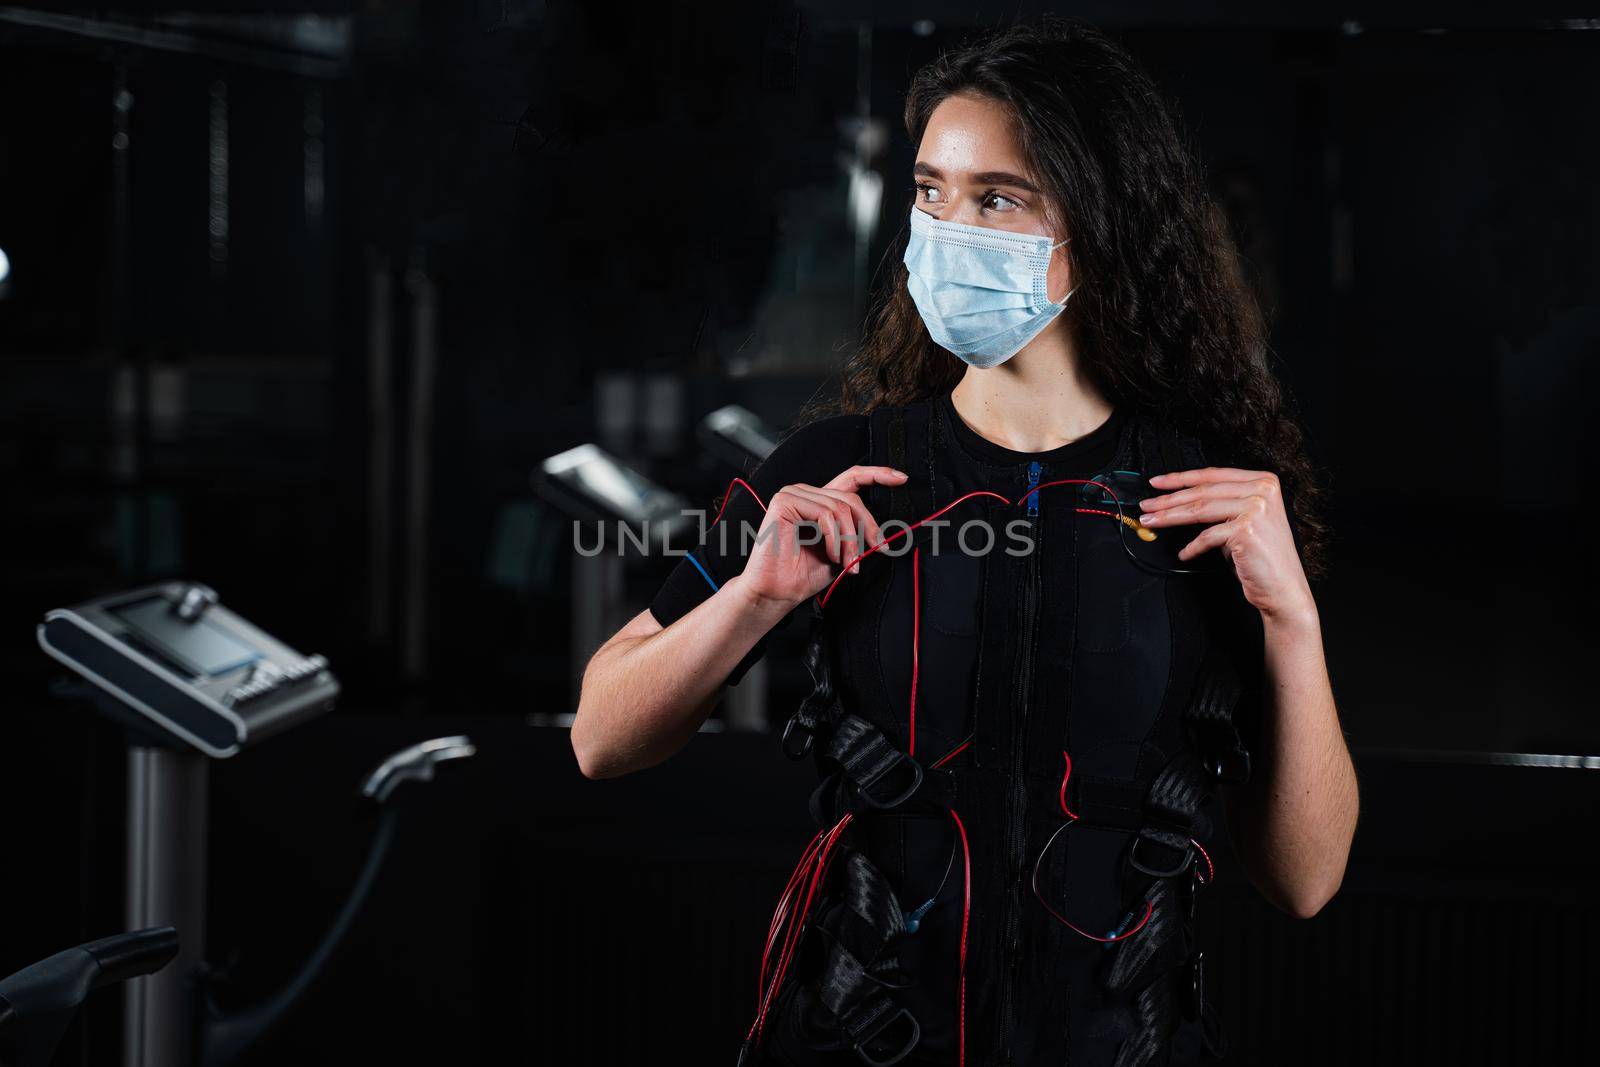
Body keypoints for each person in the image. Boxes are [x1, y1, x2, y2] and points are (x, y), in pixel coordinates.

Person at [572, 16, 1359, 1066]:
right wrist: (754, 594)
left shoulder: (1203, 492)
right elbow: (601, 736)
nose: (948, 227)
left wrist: (1290, 618)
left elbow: (1304, 879)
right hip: (856, 1042)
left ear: (1099, 218)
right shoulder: (838, 465)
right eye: (930, 191)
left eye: (996, 195)